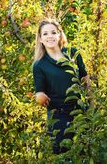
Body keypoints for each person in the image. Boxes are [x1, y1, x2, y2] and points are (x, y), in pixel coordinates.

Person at [32, 18, 89, 154]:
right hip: (59, 115)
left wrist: (91, 104)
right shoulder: (40, 65)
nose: (50, 36)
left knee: (85, 152)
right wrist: (40, 96)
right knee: (63, 153)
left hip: (80, 111)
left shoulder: (73, 54)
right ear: (40, 39)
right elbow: (39, 92)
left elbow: (85, 80)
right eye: (45, 34)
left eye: (53, 32)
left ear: (59, 35)